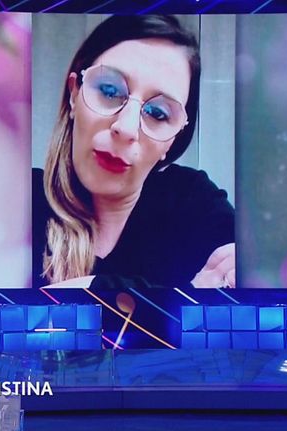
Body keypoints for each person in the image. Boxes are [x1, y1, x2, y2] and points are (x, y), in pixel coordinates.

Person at [33, 15, 235, 290]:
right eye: (109, 91)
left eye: (158, 113)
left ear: (173, 140)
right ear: (74, 94)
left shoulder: (192, 203)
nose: (126, 128)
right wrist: (180, 298)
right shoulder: (19, 202)